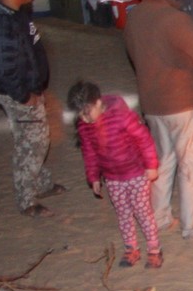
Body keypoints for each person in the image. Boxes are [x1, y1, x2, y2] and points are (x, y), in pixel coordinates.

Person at [123, 0, 193, 239]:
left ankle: (159, 218)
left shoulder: (134, 17)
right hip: (180, 100)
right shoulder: (175, 19)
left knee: (162, 161)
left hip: (151, 101)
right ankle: (192, 225)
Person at [0, 0, 63, 216]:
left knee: (34, 140)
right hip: (18, 93)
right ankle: (27, 200)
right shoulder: (3, 24)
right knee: (32, 143)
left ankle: (40, 184)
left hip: (26, 88)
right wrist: (23, 95)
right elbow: (2, 68)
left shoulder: (16, 15)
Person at [67, 80, 161, 268]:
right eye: (80, 115)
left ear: (98, 103)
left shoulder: (121, 117)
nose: (85, 118)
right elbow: (89, 153)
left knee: (143, 212)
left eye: (87, 112)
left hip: (136, 173)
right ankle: (131, 248)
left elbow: (144, 139)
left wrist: (151, 165)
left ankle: (154, 249)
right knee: (123, 213)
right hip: (112, 178)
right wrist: (93, 177)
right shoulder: (85, 127)